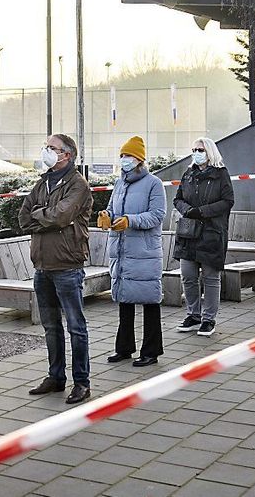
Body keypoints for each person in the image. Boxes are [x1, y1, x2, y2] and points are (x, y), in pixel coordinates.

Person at [18, 134, 94, 404]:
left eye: (53, 148)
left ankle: (82, 382)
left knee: (76, 326)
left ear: (67, 155)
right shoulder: (42, 182)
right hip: (42, 266)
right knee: (51, 326)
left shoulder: (78, 184)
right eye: (46, 147)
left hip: (67, 265)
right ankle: (56, 376)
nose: (47, 151)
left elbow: (61, 215)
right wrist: (45, 217)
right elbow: (23, 217)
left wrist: (44, 215)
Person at [100, 136, 167, 367]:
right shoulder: (120, 183)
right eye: (121, 156)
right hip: (121, 249)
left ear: (139, 159)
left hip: (144, 251)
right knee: (124, 300)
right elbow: (111, 208)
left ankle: (151, 351)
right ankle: (124, 347)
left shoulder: (154, 183)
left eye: (127, 156)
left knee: (149, 301)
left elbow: (158, 215)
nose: (123, 160)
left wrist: (131, 220)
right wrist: (107, 216)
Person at [172, 137, 234, 336]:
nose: (196, 153)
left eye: (200, 149)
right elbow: (178, 198)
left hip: (211, 233)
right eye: (193, 149)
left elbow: (227, 201)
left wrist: (203, 211)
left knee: (210, 277)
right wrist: (188, 210)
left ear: (209, 152)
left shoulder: (221, 174)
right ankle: (193, 314)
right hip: (188, 233)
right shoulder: (188, 173)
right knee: (188, 276)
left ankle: (208, 319)